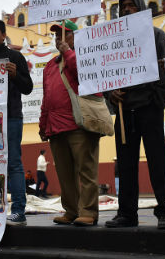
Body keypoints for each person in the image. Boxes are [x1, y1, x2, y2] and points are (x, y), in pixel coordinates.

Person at [105, 0, 165, 230]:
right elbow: (105, 74)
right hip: (125, 111)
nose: (126, 10)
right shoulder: (113, 41)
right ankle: (126, 213)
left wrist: (157, 98)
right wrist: (110, 94)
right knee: (125, 164)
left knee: (156, 160)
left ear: (142, 9)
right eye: (122, 6)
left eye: (131, 6)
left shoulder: (157, 36)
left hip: (149, 108)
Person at [39, 20, 101, 226]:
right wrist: (43, 125)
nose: (59, 39)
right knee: (64, 174)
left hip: (80, 124)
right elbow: (46, 98)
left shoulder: (85, 57)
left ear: (75, 37)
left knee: (86, 170)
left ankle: (88, 212)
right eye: (57, 36)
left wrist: (68, 52)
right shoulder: (50, 66)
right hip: (56, 127)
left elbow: (86, 77)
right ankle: (71, 210)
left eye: (65, 35)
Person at [0, 19, 33, 225]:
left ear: (4, 35)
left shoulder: (15, 57)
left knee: (13, 164)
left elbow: (27, 87)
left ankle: (19, 210)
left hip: (10, 118)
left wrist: (15, 75)